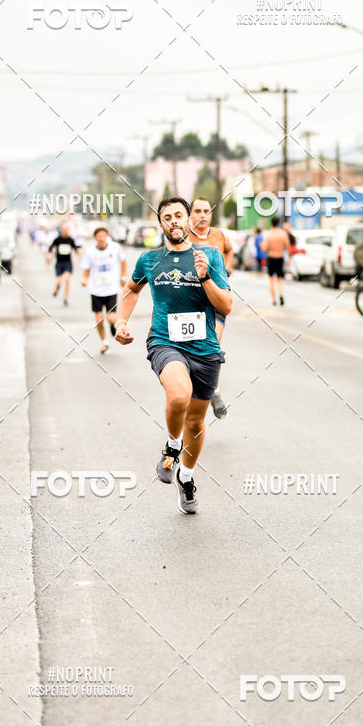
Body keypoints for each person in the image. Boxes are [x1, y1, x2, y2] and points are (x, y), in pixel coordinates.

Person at [115, 197, 232, 514]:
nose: (174, 221)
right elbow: (131, 290)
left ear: (188, 220)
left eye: (179, 215)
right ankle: (172, 445)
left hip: (205, 348)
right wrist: (121, 321)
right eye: (167, 217)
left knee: (196, 420)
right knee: (179, 395)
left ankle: (186, 475)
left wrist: (205, 276)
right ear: (161, 224)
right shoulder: (150, 260)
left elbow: (226, 306)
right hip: (165, 342)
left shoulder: (209, 256)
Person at [188, 197, 234, 420]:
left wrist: (227, 270)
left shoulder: (219, 235)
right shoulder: (182, 237)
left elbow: (230, 251)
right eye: (198, 211)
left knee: (213, 344)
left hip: (215, 299)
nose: (202, 215)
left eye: (206, 211)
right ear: (190, 215)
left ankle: (214, 392)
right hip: (190, 302)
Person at [81, 226, 127, 354]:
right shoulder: (90, 252)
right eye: (99, 236)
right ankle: (104, 342)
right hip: (96, 289)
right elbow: (86, 267)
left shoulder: (115, 247)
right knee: (99, 319)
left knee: (111, 318)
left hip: (111, 288)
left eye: (103, 235)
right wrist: (84, 279)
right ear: (95, 238)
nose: (101, 238)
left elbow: (123, 261)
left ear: (107, 236)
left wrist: (123, 277)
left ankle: (113, 325)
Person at [46, 222, 81, 306]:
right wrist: (49, 255)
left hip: (67, 263)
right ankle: (57, 289)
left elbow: (76, 249)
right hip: (59, 263)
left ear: (68, 230)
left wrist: (78, 253)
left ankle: (65, 298)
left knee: (67, 280)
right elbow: (51, 249)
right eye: (63, 229)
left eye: (66, 229)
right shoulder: (57, 239)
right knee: (58, 282)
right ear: (61, 230)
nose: (65, 231)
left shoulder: (71, 240)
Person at [259, 216, 291, 305]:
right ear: (278, 223)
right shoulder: (283, 234)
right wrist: (289, 259)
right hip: (280, 257)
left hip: (271, 257)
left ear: (271, 223)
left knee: (271, 279)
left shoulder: (269, 235)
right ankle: (281, 294)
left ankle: (273, 300)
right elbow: (288, 247)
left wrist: (261, 245)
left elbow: (264, 249)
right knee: (280, 279)